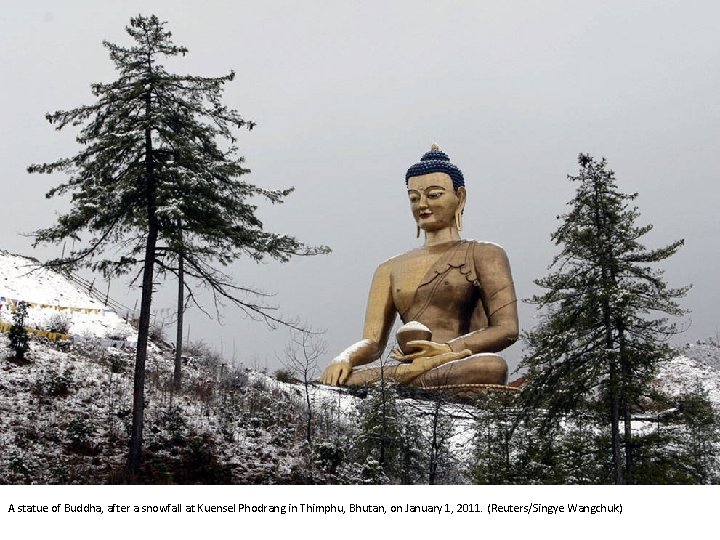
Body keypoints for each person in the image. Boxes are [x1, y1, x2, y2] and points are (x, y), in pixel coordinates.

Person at [319, 145, 519, 388]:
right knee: (345, 379)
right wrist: (345, 358)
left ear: (460, 197)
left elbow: (507, 328)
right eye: (414, 198)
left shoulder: (484, 254)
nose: (422, 204)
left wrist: (447, 349)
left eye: (434, 195)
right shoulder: (389, 268)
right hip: (410, 364)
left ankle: (408, 379)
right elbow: (373, 343)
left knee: (491, 366)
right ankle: (413, 374)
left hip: (458, 361)